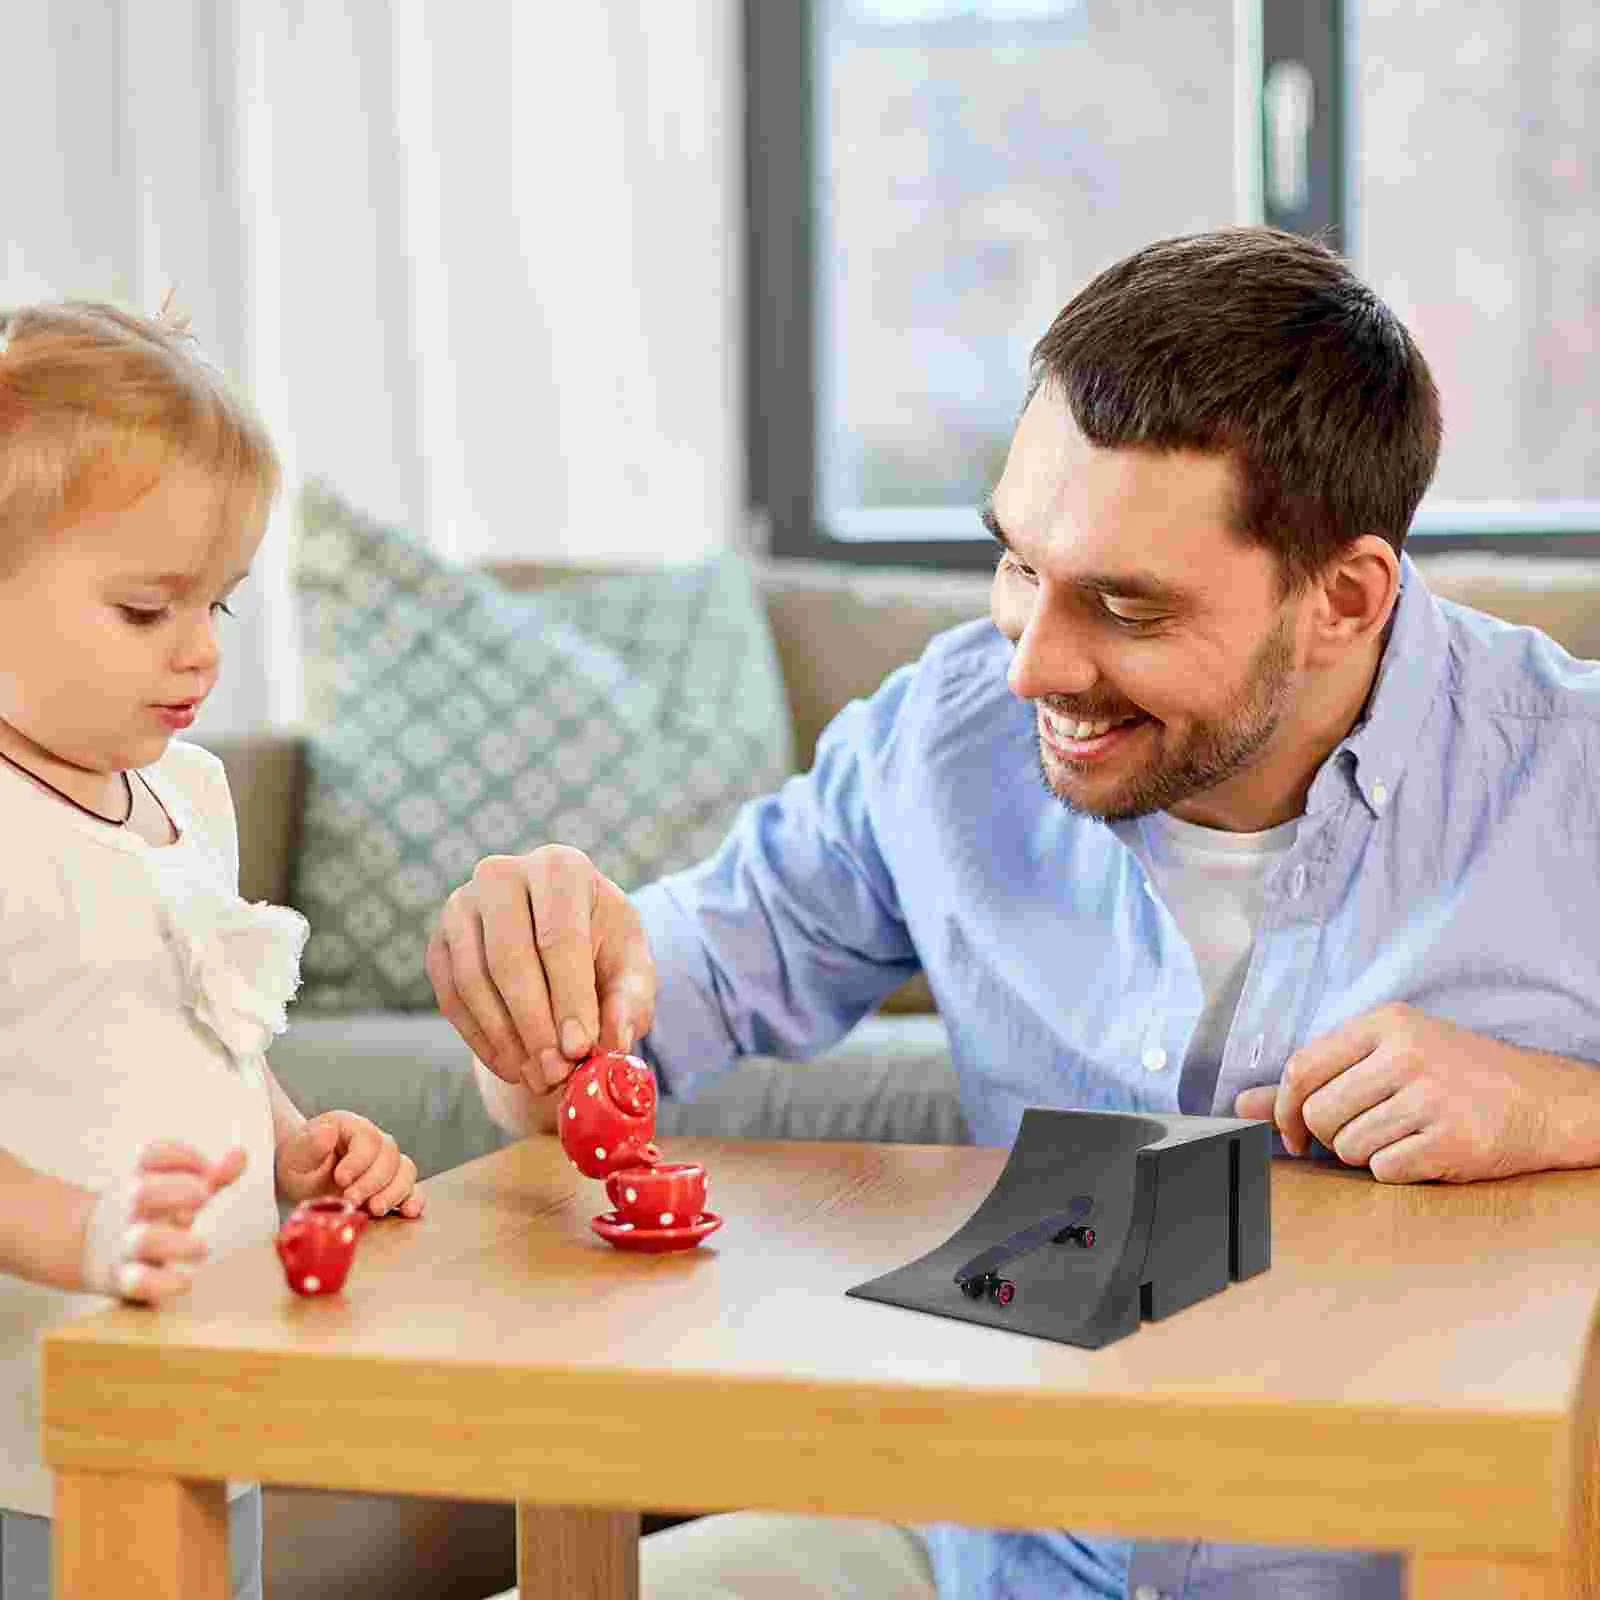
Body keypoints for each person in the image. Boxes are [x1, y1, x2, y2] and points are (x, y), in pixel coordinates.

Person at [431, 228, 1600, 1599]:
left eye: (1125, 605)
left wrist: (1567, 1112)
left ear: (1343, 598)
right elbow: (618, 1040)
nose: (1036, 662)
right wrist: (543, 986)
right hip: (1006, 1556)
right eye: (1017, 565)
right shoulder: (945, 737)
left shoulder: (1566, 771)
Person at [0, 300, 426, 1600]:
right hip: (37, 1425)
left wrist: (297, 1145)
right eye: (144, 611)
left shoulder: (190, 794)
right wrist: (86, 1236)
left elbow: (209, 1024)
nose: (198, 652)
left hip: (206, 1384)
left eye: (219, 606)